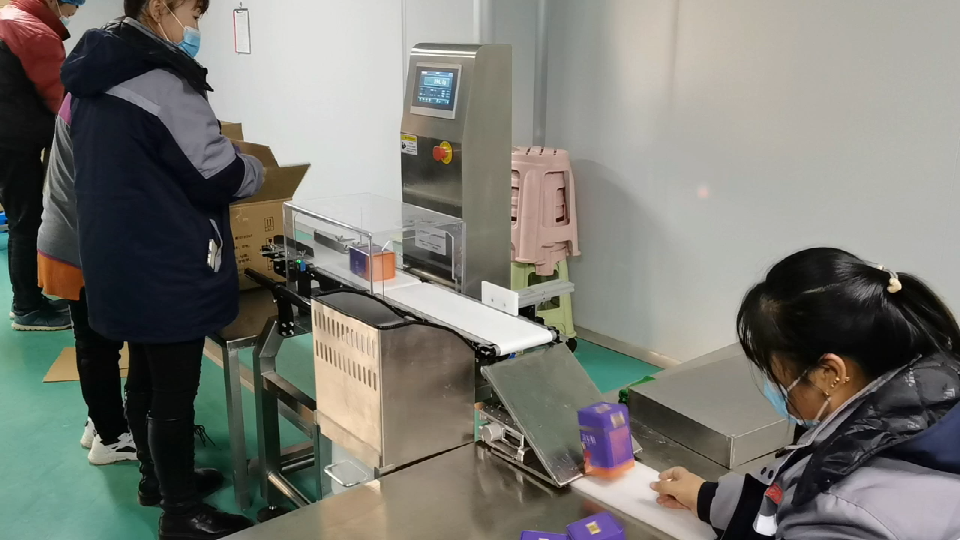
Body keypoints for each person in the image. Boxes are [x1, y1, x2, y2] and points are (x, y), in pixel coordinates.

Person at [62, 0, 264, 537]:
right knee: (174, 393)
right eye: (193, 15)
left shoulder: (92, 75)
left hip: (117, 255)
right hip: (165, 261)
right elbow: (218, 175)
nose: (195, 29)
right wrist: (255, 168)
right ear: (158, 8)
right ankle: (181, 514)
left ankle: (156, 480)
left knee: (145, 377)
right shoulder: (162, 84)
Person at [651, 247, 960, 540]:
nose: (774, 388)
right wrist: (707, 498)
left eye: (777, 375)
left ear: (830, 374)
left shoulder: (847, 516)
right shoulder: (932, 399)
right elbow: (789, 488)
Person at [38, 93, 139, 465]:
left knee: (94, 344)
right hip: (83, 244)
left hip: (66, 237)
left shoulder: (82, 94)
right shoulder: (101, 105)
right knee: (99, 346)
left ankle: (100, 421)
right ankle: (113, 439)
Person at [0, 0, 84, 331]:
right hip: (12, 140)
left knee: (22, 216)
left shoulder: (9, 17)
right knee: (26, 219)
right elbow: (60, 101)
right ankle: (28, 307)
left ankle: (31, 299)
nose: (75, 11)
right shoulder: (36, 32)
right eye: (76, 4)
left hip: (10, 136)